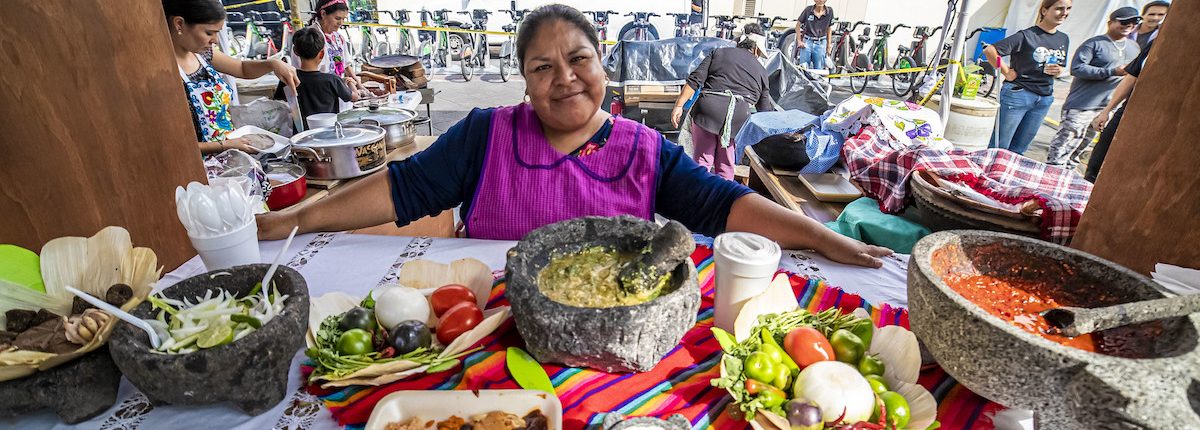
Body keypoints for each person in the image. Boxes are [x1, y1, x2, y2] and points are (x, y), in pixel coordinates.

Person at [256, 4, 891, 269]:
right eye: (542, 67)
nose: (564, 79)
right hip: (488, 337)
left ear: (603, 63)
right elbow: (400, 189)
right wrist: (293, 222)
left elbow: (723, 206)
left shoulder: (646, 152)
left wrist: (820, 237)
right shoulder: (484, 136)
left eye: (578, 60)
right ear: (525, 81)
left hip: (609, 344)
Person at [164, 0, 299, 154]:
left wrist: (273, 64)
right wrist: (226, 145)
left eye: (217, 32)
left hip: (228, 154)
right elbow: (175, 144)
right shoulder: (164, 72)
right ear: (179, 24)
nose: (215, 40)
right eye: (209, 33)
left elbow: (242, 68)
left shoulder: (204, 54)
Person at [671, 24, 773, 181]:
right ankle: (723, 202)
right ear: (756, 50)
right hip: (736, 118)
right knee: (725, 165)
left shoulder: (719, 52)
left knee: (702, 161)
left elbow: (695, 80)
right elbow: (765, 111)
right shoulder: (761, 71)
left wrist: (679, 106)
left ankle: (696, 199)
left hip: (707, 112)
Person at [1045, 7, 1140, 168]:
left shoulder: (1134, 47)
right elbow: (1077, 68)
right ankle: (1049, 177)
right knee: (1063, 148)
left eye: (1133, 22)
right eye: (1124, 22)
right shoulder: (1094, 43)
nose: (1128, 25)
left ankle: (1066, 179)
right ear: (1110, 23)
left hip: (1106, 108)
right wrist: (1112, 71)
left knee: (1081, 149)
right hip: (1082, 105)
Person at [984, 0, 1071, 155]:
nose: (1064, 13)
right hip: (1018, 94)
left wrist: (1058, 70)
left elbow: (1059, 65)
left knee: (1019, 150)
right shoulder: (1026, 35)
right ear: (1044, 11)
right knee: (999, 147)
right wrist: (1006, 72)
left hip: (1044, 98)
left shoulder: (1063, 38)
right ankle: (988, 176)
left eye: (1068, 9)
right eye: (1059, 8)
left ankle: (1006, 178)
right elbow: (991, 51)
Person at [1085, 40, 1154, 182]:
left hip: (1156, 120)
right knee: (1099, 159)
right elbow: (1131, 78)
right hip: (1128, 112)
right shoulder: (1156, 44)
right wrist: (1107, 111)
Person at [272, 28, 358, 129]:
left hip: (301, 136)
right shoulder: (332, 80)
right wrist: (350, 82)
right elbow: (354, 97)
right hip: (328, 134)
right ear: (322, 53)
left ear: (295, 52)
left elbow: (277, 101)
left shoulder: (288, 78)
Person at [793, 0, 834, 70]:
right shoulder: (808, 10)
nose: (820, 1)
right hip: (807, 41)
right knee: (803, 68)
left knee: (819, 68)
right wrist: (799, 41)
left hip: (821, 43)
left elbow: (829, 29)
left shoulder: (829, 11)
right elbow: (798, 25)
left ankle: (817, 81)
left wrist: (828, 45)